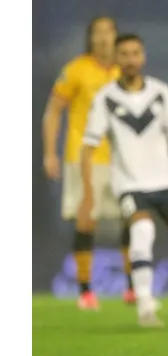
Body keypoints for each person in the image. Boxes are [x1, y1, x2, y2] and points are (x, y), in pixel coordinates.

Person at [79, 34, 168, 327]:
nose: (130, 59)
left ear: (143, 56)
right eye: (124, 54)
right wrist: (88, 191)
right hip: (129, 184)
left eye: (135, 53)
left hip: (166, 181)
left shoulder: (161, 92)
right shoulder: (105, 97)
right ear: (116, 59)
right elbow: (88, 146)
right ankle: (145, 304)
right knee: (143, 231)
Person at [42, 16, 135, 309]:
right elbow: (54, 110)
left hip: (123, 159)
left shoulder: (125, 72)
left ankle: (133, 289)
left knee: (131, 218)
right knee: (87, 220)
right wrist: (49, 152)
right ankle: (85, 291)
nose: (104, 38)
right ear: (91, 38)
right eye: (98, 33)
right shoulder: (76, 70)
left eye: (109, 32)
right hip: (85, 157)